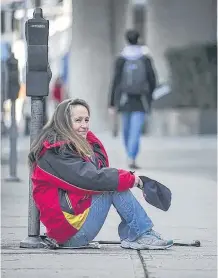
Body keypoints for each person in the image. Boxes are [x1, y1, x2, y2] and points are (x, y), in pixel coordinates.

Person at [29, 98, 173, 250]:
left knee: (113, 182)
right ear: (63, 122)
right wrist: (133, 179)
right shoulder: (56, 151)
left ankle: (138, 233)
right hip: (69, 234)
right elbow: (92, 178)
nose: (84, 125)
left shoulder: (69, 144)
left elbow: (98, 169)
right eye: (78, 120)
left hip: (69, 227)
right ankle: (140, 234)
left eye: (86, 120)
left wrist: (88, 139)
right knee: (112, 186)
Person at [109, 29, 157, 169]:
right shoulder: (145, 58)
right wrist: (149, 95)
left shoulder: (121, 58)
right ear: (138, 39)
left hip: (124, 99)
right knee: (136, 130)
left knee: (126, 130)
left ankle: (129, 154)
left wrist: (112, 103)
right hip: (141, 99)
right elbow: (153, 79)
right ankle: (132, 156)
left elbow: (115, 82)